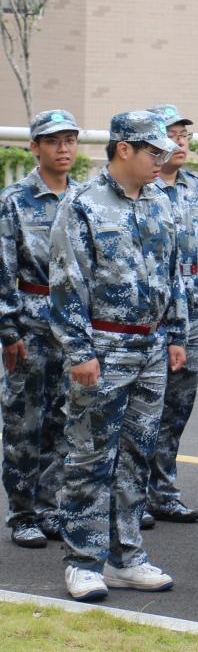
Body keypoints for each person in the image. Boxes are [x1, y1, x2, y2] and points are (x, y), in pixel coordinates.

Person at [50, 110, 186, 600]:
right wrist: (79, 350)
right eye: (154, 151)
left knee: (136, 455)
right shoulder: (83, 203)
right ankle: (84, 561)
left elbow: (174, 272)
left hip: (150, 346)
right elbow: (66, 282)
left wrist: (176, 332)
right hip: (103, 347)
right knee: (90, 455)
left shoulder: (159, 201)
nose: (162, 159)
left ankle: (125, 556)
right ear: (123, 149)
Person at [0, 109, 81, 549]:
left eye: (69, 140)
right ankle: (23, 512)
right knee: (24, 421)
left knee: (63, 420)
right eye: (53, 141)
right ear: (35, 147)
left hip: (72, 326)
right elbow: (3, 269)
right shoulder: (14, 200)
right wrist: (8, 330)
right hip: (30, 323)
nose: (63, 149)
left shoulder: (83, 198)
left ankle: (50, 505)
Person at [139, 104, 198, 526]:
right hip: (154, 312)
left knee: (178, 407)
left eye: (184, 135)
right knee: (142, 408)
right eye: (172, 135)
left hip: (193, 313)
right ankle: (132, 494)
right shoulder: (143, 190)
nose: (180, 142)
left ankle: (162, 490)